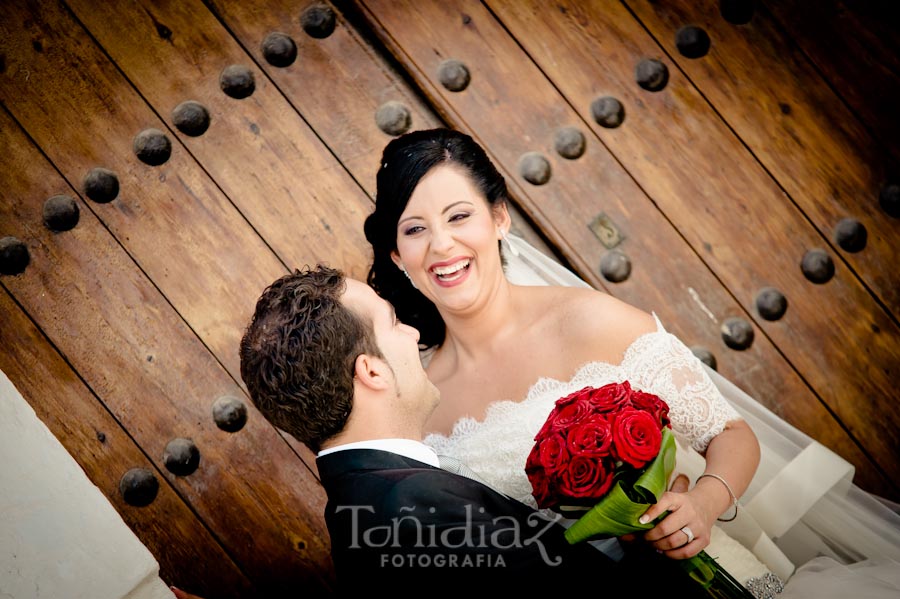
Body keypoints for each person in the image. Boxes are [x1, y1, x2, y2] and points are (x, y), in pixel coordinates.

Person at [364, 128, 900, 597]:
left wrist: (704, 505)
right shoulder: (420, 406)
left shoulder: (592, 321)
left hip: (701, 576)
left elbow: (730, 433)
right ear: (396, 255)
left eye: (459, 216)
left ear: (499, 218)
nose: (442, 244)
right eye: (415, 229)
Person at [232, 264, 704, 596]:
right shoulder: (415, 511)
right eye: (394, 324)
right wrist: (651, 551)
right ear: (371, 372)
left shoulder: (365, 506)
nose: (414, 335)